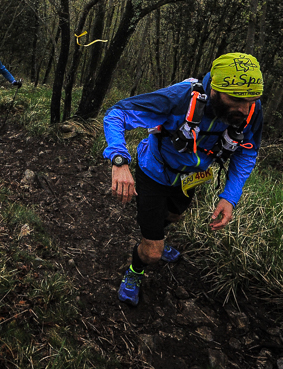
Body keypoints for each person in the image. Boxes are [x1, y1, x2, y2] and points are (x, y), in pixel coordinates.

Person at [102, 52, 264, 307]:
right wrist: (120, 161)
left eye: (251, 100)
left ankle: (156, 235)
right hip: (155, 172)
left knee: (174, 217)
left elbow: (247, 152)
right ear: (215, 91)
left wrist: (230, 197)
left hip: (192, 177)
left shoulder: (250, 108)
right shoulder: (179, 98)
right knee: (153, 253)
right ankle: (136, 270)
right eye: (236, 100)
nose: (244, 110)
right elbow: (117, 114)